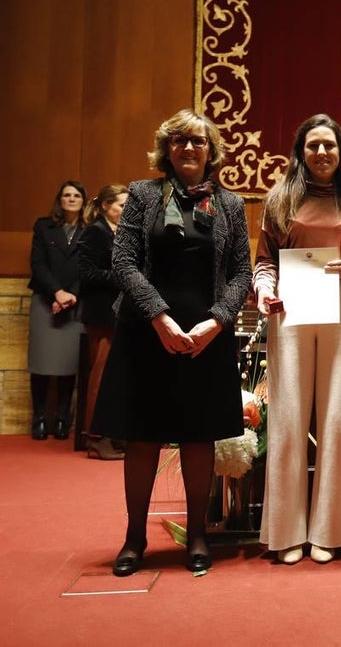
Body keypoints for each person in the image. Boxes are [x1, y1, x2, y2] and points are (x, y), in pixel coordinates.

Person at [91, 109, 251, 576]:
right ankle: (134, 537)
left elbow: (241, 272)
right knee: (142, 438)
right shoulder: (141, 195)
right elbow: (123, 263)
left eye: (197, 141)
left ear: (210, 150)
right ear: (166, 148)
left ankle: (198, 535)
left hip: (207, 337)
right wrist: (159, 317)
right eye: (179, 140)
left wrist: (216, 323)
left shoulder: (230, 204)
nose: (188, 148)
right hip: (146, 333)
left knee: (199, 439)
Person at [253, 114, 341, 565]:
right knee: (288, 420)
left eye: (330, 146)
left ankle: (329, 530)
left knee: (338, 420)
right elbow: (264, 262)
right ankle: (286, 533)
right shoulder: (280, 199)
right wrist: (265, 288)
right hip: (291, 307)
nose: (322, 153)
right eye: (313, 146)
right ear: (301, 152)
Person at [27, 180, 86, 442]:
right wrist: (56, 293)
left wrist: (70, 294)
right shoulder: (43, 226)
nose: (71, 199)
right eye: (66, 195)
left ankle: (63, 418)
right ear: (59, 200)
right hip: (45, 300)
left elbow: (90, 265)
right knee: (41, 362)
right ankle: (39, 418)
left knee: (68, 364)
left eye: (76, 195)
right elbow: (37, 263)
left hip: (77, 301)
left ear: (83, 201)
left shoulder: (90, 230)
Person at [77, 183, 129, 460]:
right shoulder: (95, 232)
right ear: (107, 206)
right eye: (122, 205)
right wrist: (123, 277)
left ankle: (114, 432)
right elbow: (85, 274)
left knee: (116, 378)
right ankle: (95, 437)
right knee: (100, 376)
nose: (126, 209)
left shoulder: (124, 233)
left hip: (121, 315)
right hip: (101, 315)